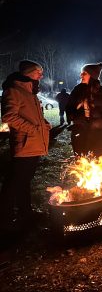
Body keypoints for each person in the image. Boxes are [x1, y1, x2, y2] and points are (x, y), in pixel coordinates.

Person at [0, 60, 51, 231]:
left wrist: (43, 123)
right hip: (24, 145)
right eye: (39, 72)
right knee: (14, 183)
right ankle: (4, 218)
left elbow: (31, 116)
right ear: (29, 72)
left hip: (33, 143)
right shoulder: (14, 91)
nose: (41, 75)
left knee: (24, 181)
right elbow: (9, 117)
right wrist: (33, 129)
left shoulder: (30, 92)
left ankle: (25, 213)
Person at [66, 62, 102, 157]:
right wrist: (73, 117)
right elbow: (69, 107)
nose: (81, 75)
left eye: (84, 73)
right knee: (80, 159)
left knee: (97, 159)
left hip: (97, 132)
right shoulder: (77, 91)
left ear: (92, 75)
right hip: (79, 131)